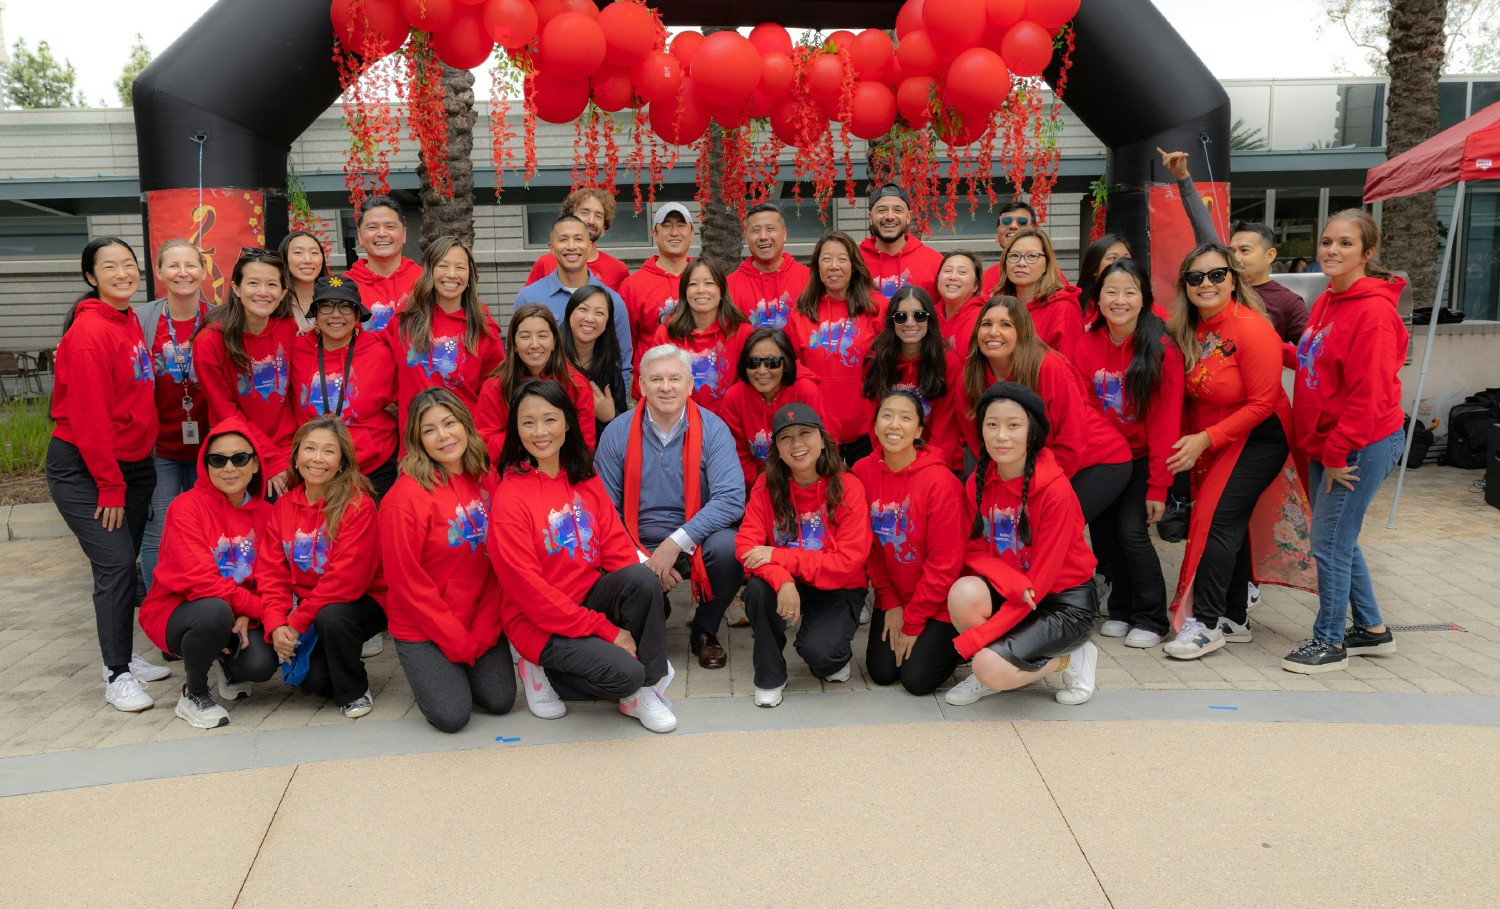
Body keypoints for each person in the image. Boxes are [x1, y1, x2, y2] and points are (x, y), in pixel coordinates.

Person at [491, 379, 677, 732]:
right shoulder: (510, 498)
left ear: (567, 423)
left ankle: (645, 690)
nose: (540, 432)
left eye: (549, 419)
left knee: (642, 580)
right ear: (516, 430)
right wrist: (608, 631)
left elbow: (617, 549)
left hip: (586, 599)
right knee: (624, 674)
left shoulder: (584, 478)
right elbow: (531, 594)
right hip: (537, 621)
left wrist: (640, 607)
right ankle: (538, 666)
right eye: (528, 422)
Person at [1163, 243, 1311, 659]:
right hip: (1217, 439)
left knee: (1216, 521)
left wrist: (1204, 439)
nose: (1206, 284)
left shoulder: (1252, 328)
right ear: (1185, 285)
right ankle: (1234, 617)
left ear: (1233, 279)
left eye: (1216, 275)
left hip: (1259, 437)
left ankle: (1208, 624)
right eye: (1196, 277)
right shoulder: (1186, 329)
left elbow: (1262, 404)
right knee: (1232, 523)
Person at [1282, 210, 1407, 673]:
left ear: (1367, 253)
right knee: (1340, 539)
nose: (1332, 250)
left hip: (1358, 445)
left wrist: (1337, 453)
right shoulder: (1328, 300)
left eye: (1345, 243)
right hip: (1330, 443)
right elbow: (1314, 359)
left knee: (1329, 543)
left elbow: (1368, 393)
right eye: (1327, 241)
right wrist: (1272, 348)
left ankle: (1329, 641)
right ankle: (1372, 631)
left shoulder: (1374, 312)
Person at [49, 237, 170, 711]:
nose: (123, 273)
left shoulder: (126, 319)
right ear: (90, 277)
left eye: (129, 264)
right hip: (88, 468)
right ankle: (117, 674)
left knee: (122, 564)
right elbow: (90, 420)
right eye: (109, 267)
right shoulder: (88, 335)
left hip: (132, 466)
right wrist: (110, 485)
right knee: (116, 565)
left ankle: (121, 657)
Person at [943, 382, 1100, 708]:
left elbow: (1039, 585)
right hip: (1016, 590)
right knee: (963, 594)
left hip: (1063, 603)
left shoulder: (1055, 492)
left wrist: (979, 641)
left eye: (1013, 425)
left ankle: (1071, 657)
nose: (1001, 436)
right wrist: (1012, 582)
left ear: (1032, 432)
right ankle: (1003, 661)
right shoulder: (978, 482)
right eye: (992, 424)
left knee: (987, 665)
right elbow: (974, 550)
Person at [595, 345, 747, 670]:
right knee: (626, 580)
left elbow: (731, 498)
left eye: (675, 378)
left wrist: (674, 543)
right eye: (656, 379)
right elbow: (604, 510)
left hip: (693, 540)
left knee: (730, 548)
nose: (666, 387)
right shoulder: (617, 433)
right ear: (641, 385)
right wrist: (644, 564)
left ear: (690, 385)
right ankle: (650, 609)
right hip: (633, 544)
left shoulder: (713, 429)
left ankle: (704, 630)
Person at [379, 388, 514, 733]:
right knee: (453, 716)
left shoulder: (486, 476)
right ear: (417, 440)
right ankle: (437, 670)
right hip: (423, 625)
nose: (443, 436)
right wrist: (458, 642)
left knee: (500, 700)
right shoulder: (404, 498)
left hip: (478, 615)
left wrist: (483, 631)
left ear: (465, 425)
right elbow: (406, 582)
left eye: (449, 423)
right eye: (429, 429)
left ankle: (459, 668)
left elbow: (498, 563)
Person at [137, 419, 277, 728]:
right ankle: (194, 694)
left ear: (255, 464)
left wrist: (249, 614)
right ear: (205, 465)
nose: (229, 468)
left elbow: (273, 576)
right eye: (218, 460)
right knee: (214, 612)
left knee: (260, 666)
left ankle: (224, 660)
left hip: (239, 610)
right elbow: (201, 582)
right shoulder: (185, 507)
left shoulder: (268, 514)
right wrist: (256, 609)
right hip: (179, 609)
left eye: (239, 458)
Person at [1072, 259, 1183, 647]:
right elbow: (1084, 409)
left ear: (1144, 298)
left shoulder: (1162, 349)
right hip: (1104, 456)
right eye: (1111, 292)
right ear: (1098, 298)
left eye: (1130, 292)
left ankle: (1151, 617)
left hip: (1143, 458)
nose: (1120, 300)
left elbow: (1165, 423)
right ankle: (1120, 608)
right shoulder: (1086, 344)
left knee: (1131, 531)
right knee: (1104, 533)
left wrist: (1159, 486)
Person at [736, 403, 871, 708]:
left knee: (822, 658)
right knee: (757, 591)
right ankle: (770, 676)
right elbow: (745, 546)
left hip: (838, 586)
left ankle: (833, 651)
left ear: (822, 440)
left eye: (805, 433)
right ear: (777, 449)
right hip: (791, 581)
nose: (797, 444)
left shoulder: (848, 486)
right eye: (786, 438)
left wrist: (778, 556)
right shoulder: (766, 485)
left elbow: (847, 562)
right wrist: (783, 580)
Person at [258, 416, 388, 718]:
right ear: (296, 457)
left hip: (363, 601)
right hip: (313, 608)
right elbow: (272, 574)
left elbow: (347, 581)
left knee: (333, 617)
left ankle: (355, 691)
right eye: (310, 448)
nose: (317, 458)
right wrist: (276, 623)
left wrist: (296, 623)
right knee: (314, 683)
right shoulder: (283, 507)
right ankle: (338, 657)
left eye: (329, 451)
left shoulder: (357, 505)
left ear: (342, 463)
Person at [959, 296, 1132, 522]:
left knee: (1046, 526)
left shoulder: (1049, 367)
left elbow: (1073, 439)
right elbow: (979, 441)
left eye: (1006, 324)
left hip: (1098, 461)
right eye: (986, 324)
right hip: (1036, 468)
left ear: (1022, 332)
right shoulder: (970, 377)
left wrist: (1032, 486)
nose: (993, 332)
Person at [851, 390, 964, 695]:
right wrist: (889, 601)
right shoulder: (861, 473)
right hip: (895, 594)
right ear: (875, 426)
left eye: (905, 417)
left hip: (939, 600)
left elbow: (945, 564)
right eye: (886, 416)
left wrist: (913, 622)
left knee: (916, 680)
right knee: (882, 672)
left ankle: (965, 646)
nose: (894, 425)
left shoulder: (941, 482)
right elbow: (867, 546)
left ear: (919, 430)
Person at [135, 239, 212, 592]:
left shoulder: (220, 318)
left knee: (207, 529)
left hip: (208, 449)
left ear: (203, 270)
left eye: (191, 265)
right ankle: (161, 609)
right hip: (161, 446)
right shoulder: (141, 320)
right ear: (159, 272)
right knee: (159, 531)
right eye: (173, 265)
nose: (183, 273)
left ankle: (205, 604)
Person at [193, 248, 299, 497]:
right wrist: (269, 458)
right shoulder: (210, 340)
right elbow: (225, 411)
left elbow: (295, 394)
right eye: (253, 283)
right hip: (239, 452)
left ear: (283, 292)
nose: (263, 292)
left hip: (288, 448)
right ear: (236, 288)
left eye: (271, 284)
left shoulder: (289, 328)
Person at [289, 275, 399, 498]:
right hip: (315, 468)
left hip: (372, 469)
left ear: (357, 315)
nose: (336, 314)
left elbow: (405, 403)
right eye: (326, 306)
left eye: (346, 307)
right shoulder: (297, 349)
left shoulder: (381, 353)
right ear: (315, 314)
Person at [387, 236, 505, 441]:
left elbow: (495, 392)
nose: (451, 274)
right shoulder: (403, 322)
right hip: (416, 444)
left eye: (460, 267)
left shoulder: (484, 329)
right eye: (443, 266)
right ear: (429, 271)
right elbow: (383, 371)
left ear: (470, 275)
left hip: (464, 442)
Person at [787, 231, 888, 466]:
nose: (834, 266)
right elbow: (793, 367)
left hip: (868, 429)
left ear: (854, 265)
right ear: (816, 267)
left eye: (842, 259)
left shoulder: (877, 307)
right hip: (817, 428)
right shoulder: (801, 312)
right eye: (826, 259)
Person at [514, 215, 632, 390]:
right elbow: (516, 360)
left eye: (578, 239)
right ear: (551, 248)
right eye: (563, 239)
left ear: (589, 246)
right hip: (543, 398)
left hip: (596, 401)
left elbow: (621, 364)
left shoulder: (612, 301)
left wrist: (615, 404)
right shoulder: (529, 297)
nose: (571, 246)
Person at [861, 286, 965, 471]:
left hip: (936, 463)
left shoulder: (948, 363)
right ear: (892, 321)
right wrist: (889, 463)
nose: (910, 323)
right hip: (890, 460)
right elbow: (875, 422)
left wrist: (926, 469)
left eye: (919, 316)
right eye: (901, 317)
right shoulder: (877, 361)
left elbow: (946, 430)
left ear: (929, 320)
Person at [475, 303, 596, 462]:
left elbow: (585, 445)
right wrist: (530, 438)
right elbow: (486, 445)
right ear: (514, 344)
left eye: (542, 336)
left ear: (554, 342)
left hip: (562, 468)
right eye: (525, 337)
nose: (534, 344)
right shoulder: (494, 386)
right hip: (511, 468)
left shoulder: (576, 385)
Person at [719, 327, 829, 491]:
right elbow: (736, 453)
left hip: (806, 484)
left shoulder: (805, 391)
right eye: (753, 363)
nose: (762, 371)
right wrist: (765, 487)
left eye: (772, 362)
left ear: (786, 364)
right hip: (757, 487)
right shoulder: (734, 397)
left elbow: (824, 444)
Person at [652, 258, 752, 414]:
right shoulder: (668, 332)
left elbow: (748, 386)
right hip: (680, 419)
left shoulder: (742, 332)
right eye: (693, 284)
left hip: (729, 419)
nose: (701, 290)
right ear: (684, 292)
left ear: (722, 291)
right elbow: (657, 381)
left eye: (709, 283)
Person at [620, 201, 693, 385]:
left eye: (681, 225)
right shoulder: (633, 285)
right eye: (666, 225)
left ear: (692, 232)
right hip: (652, 389)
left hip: (701, 388)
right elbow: (625, 346)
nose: (674, 232)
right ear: (654, 233)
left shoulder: (706, 280)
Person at [994, 228, 1083, 358]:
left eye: (1032, 256)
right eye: (1014, 255)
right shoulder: (1000, 305)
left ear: (1046, 264)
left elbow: (1067, 365)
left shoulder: (1063, 309)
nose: (1021, 263)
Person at [523, 187, 631, 291]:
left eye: (598, 216)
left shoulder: (618, 270)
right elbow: (528, 301)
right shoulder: (545, 263)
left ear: (604, 226)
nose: (591, 220)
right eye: (584, 213)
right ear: (570, 217)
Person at [561, 285, 629, 441]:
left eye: (599, 313)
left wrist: (609, 416)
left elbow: (624, 428)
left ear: (607, 323)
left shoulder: (610, 368)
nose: (590, 318)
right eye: (583, 309)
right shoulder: (551, 360)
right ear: (569, 312)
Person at [728, 202, 810, 330]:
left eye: (770, 229)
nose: (763, 237)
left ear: (784, 234)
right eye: (756, 230)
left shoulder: (808, 279)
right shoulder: (730, 285)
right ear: (746, 237)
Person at [344, 195, 420, 332]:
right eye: (372, 227)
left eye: (390, 227)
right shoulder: (345, 286)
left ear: (404, 234)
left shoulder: (425, 280)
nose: (382, 233)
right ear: (360, 236)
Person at [1229, 222, 1311, 344]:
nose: (1235, 258)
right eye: (1231, 251)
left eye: (1244, 250)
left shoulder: (1288, 302)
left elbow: (1311, 349)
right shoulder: (1220, 290)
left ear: (1270, 255)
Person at [859, 183, 943, 301]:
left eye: (897, 210)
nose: (890, 216)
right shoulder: (855, 261)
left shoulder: (934, 262)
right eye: (881, 210)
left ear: (908, 217)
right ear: (870, 217)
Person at [279, 230, 330, 333]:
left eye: (314, 253)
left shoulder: (334, 298)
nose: (307, 260)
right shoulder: (276, 301)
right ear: (284, 259)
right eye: (298, 253)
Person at [935, 250, 986, 354]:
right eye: (947, 271)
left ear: (976, 285)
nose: (953, 277)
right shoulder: (928, 315)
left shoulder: (984, 319)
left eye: (962, 272)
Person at [981, 200, 1037, 293]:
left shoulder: (1049, 274)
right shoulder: (987, 277)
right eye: (1006, 221)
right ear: (996, 235)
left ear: (1035, 233)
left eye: (1022, 222)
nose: (1013, 226)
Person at [1076, 233, 1133, 323]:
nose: (1121, 263)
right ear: (1094, 268)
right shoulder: (1075, 309)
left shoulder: (1144, 306)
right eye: (1113, 258)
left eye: (1126, 258)